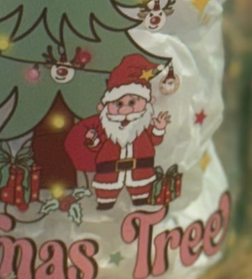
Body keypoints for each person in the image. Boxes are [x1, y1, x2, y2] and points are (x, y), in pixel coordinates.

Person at [64, 53, 171, 209]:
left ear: (147, 102)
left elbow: (155, 141)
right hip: (109, 171)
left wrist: (159, 129)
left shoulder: (142, 126)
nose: (125, 108)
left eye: (132, 102)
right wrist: (92, 141)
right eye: (118, 103)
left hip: (140, 169)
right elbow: (97, 149)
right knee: (106, 193)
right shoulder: (108, 128)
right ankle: (105, 203)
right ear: (106, 106)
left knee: (140, 194)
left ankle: (140, 200)